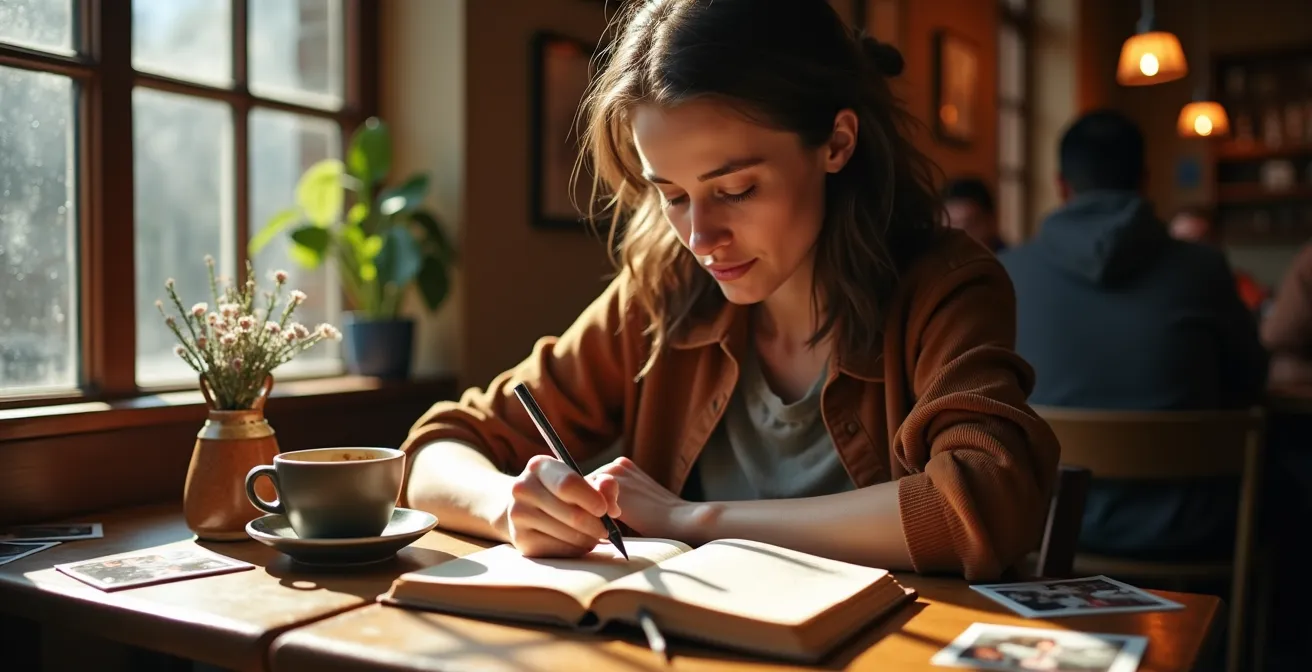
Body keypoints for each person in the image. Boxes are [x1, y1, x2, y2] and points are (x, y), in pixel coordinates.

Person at [401, 0, 1058, 580]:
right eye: (672, 195)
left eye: (736, 190)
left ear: (836, 142)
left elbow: (983, 498)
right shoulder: (664, 288)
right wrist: (506, 505)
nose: (700, 236)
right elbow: (437, 448)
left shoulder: (945, 287)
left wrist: (694, 520)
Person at [998, 110, 1267, 560]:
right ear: (1145, 181)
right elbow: (1251, 380)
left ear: (1061, 185)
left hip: (1043, 530)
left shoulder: (1007, 275)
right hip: (1191, 533)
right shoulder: (1205, 270)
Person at [1168, 205, 1269, 314]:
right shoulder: (1159, 292)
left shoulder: (1240, 286)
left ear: (1216, 244)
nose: (1190, 251)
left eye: (1200, 241)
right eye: (1181, 242)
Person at [942, 177, 1006, 253]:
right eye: (952, 224)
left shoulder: (1011, 261)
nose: (961, 235)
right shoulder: (933, 261)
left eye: (969, 225)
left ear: (990, 221)